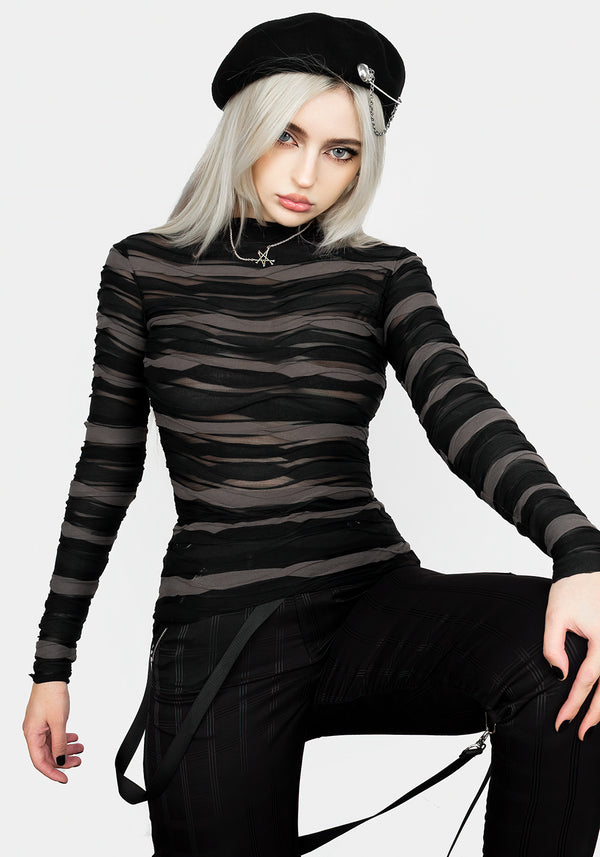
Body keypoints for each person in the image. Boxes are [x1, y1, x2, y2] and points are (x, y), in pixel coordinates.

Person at [22, 12, 600, 857]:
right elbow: (106, 467)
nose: (307, 174)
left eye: (341, 151)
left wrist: (578, 548)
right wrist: (53, 665)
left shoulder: (382, 271)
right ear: (243, 126)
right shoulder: (144, 268)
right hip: (220, 630)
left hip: (366, 597)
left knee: (572, 653)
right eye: (287, 135)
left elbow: (458, 406)